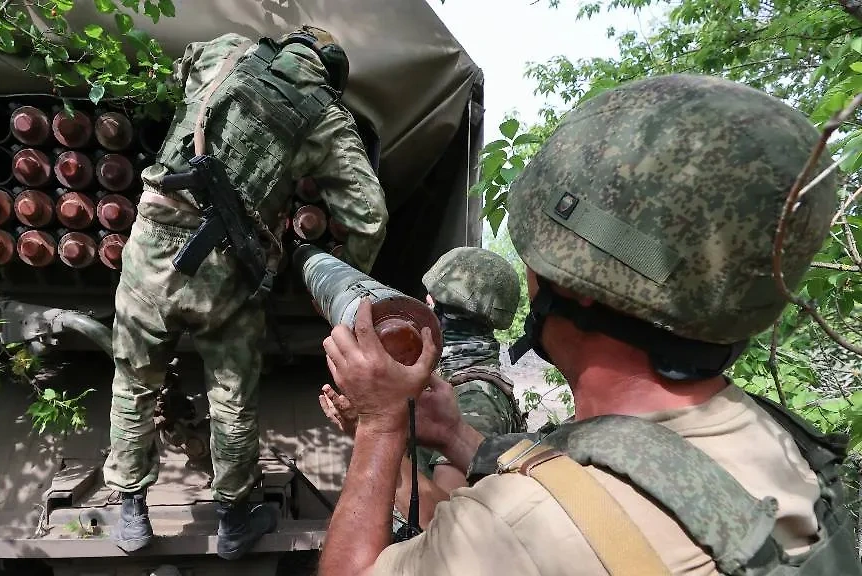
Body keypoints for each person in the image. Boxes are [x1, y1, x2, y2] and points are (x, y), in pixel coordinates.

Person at [316, 74, 862, 575]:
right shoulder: (776, 442)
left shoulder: (523, 528)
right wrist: (454, 434)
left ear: (574, 289)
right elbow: (639, 471)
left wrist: (381, 424)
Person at [102, 26, 388, 557]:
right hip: (228, 266)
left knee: (134, 377)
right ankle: (234, 519)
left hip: (151, 243)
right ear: (329, 71)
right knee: (231, 393)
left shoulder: (223, 49)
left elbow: (180, 73)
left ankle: (130, 514)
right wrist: (345, 283)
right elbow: (368, 217)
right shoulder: (325, 115)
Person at [319, 246, 526, 529]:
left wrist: (371, 433)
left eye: (432, 302)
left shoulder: (473, 398)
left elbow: (440, 521)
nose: (425, 304)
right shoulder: (456, 376)